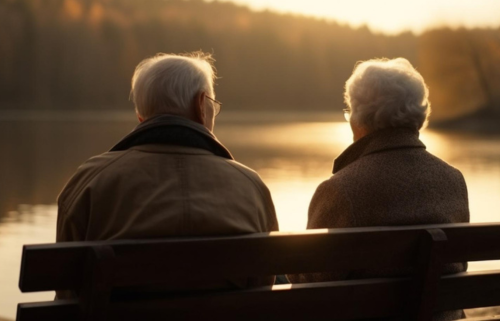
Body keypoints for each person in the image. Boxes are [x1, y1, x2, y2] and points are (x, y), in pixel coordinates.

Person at [57, 51, 278, 294]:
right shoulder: (251, 187)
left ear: (141, 117)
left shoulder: (89, 182)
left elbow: (68, 293)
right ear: (201, 106)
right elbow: (263, 286)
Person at [289, 58, 469, 320]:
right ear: (419, 115)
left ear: (359, 119)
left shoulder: (341, 190)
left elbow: (309, 286)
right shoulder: (454, 181)